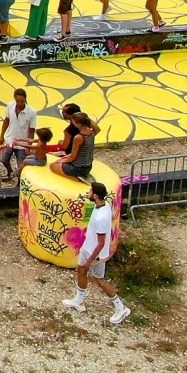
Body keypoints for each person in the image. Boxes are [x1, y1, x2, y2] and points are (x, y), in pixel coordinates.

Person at [62, 182, 131, 324]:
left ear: (95, 195)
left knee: (99, 280)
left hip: (96, 254)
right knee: (81, 270)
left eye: (90, 191)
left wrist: (90, 261)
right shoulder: (103, 205)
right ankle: (79, 301)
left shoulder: (101, 218)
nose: (88, 193)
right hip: (87, 247)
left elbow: (101, 243)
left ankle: (120, 307)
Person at [0, 87, 37, 180]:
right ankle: (10, 173)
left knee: (21, 165)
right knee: (3, 159)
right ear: (14, 99)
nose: (20, 103)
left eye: (22, 101)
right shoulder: (10, 106)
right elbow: (6, 121)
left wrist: (28, 146)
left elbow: (31, 130)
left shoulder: (32, 112)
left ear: (25, 99)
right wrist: (1, 136)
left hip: (22, 144)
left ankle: (20, 182)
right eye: (17, 101)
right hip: (9, 139)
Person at [50, 111, 99, 179]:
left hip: (78, 168)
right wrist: (64, 158)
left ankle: (76, 177)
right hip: (88, 166)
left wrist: (59, 161)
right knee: (62, 160)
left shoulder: (78, 137)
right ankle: (80, 174)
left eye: (73, 122)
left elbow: (72, 157)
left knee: (52, 166)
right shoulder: (92, 132)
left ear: (78, 123)